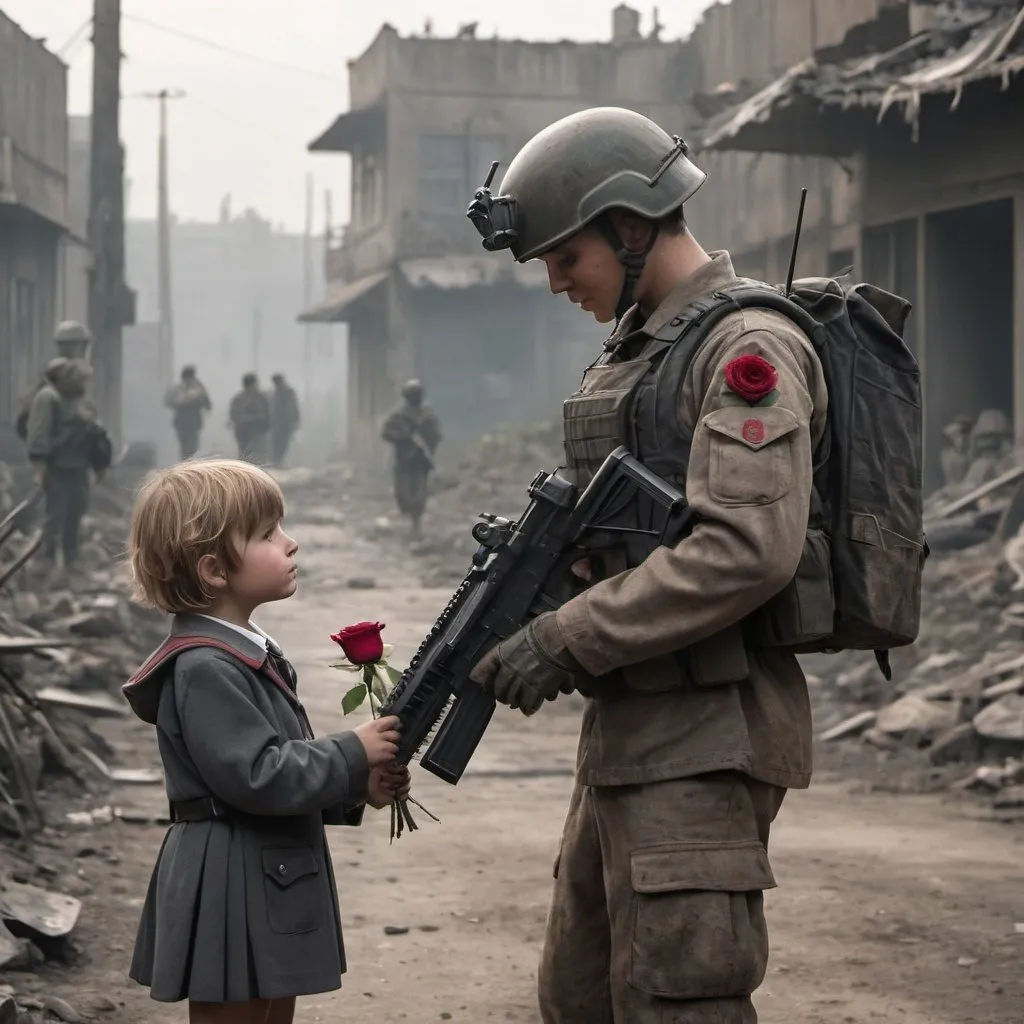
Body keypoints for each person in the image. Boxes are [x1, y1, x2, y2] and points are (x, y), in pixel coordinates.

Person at [467, 107, 828, 1023]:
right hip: (633, 733)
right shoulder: (645, 349)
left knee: (676, 1001)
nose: (555, 284)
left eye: (565, 258)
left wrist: (566, 634)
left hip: (709, 738)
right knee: (583, 997)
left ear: (631, 226)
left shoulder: (746, 349)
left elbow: (747, 549)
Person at [122, 458, 410, 1023]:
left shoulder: (241, 649)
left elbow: (273, 770)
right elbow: (256, 775)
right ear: (214, 571)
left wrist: (356, 786)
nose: (291, 543)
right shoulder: (206, 666)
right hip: (232, 875)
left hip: (267, 868)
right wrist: (353, 751)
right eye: (267, 534)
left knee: (272, 1012)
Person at [26, 357, 112, 569]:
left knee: (76, 512)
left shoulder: (77, 402)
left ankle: (71, 560)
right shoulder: (48, 398)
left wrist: (99, 463)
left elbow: (92, 434)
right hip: (58, 467)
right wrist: (40, 465)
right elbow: (39, 432)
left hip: (77, 467)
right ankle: (45, 562)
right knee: (55, 515)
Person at [380, 379, 442, 538]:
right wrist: (405, 438)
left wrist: (426, 443)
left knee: (419, 496)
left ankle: (416, 525)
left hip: (421, 463)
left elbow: (436, 435)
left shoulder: (427, 416)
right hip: (403, 461)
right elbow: (386, 433)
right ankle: (410, 517)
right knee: (403, 495)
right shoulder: (399, 416)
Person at [165, 366, 213, 460]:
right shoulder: (191, 389)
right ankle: (187, 464)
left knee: (189, 447)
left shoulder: (187, 389)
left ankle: (187, 464)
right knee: (187, 447)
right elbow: (208, 405)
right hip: (186, 422)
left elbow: (207, 405)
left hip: (188, 422)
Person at [229, 373, 271, 464]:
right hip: (244, 429)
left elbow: (267, 414)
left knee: (258, 450)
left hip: (258, 428)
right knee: (245, 451)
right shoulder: (240, 399)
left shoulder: (261, 398)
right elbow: (234, 414)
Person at [269, 373, 301, 467]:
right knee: (278, 441)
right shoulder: (276, 392)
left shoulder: (287, 392)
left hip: (285, 421)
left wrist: (295, 419)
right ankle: (277, 460)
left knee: (283, 441)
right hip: (278, 422)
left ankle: (279, 460)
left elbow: (293, 407)